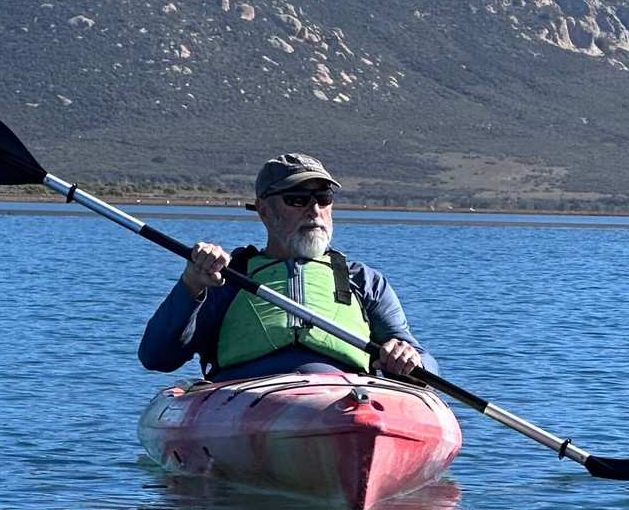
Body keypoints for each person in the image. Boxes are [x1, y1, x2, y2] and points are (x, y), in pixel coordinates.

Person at [138, 153, 438, 383]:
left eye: (323, 198)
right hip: (246, 399)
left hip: (345, 400)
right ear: (265, 211)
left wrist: (409, 359)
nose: (315, 210)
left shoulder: (363, 281)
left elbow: (423, 361)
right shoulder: (227, 276)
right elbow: (157, 357)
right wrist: (192, 284)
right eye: (297, 199)